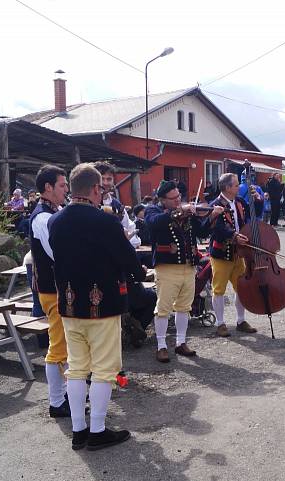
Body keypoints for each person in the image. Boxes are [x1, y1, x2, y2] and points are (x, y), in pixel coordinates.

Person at [49, 163, 146, 451]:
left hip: (68, 305)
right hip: (101, 306)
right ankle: (98, 430)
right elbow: (129, 261)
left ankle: (79, 431)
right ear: (94, 189)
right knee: (104, 370)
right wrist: (139, 273)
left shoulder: (56, 221)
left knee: (76, 368)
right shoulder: (105, 222)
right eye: (101, 189)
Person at [145, 180, 221, 360]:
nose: (178, 200)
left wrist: (211, 217)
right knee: (163, 308)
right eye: (173, 198)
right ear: (163, 200)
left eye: (179, 196)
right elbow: (154, 223)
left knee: (184, 307)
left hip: (188, 266)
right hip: (167, 267)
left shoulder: (188, 212)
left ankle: (181, 342)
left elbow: (201, 233)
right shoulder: (153, 210)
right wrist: (179, 211)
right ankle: (161, 345)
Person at [28, 165, 71, 419]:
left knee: (64, 344)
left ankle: (65, 393)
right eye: (63, 185)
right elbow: (57, 253)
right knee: (57, 347)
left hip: (58, 288)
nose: (66, 189)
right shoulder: (42, 217)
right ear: (48, 188)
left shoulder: (55, 210)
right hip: (52, 289)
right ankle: (56, 402)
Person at [208, 173, 258, 337]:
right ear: (228, 187)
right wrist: (234, 236)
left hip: (239, 253)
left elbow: (252, 214)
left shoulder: (240, 202)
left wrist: (257, 199)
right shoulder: (215, 205)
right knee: (219, 289)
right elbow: (217, 229)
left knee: (241, 288)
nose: (239, 187)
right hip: (221, 253)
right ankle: (220, 323)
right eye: (236, 185)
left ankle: (240, 320)